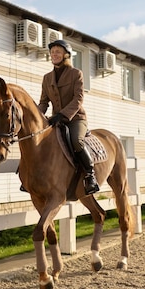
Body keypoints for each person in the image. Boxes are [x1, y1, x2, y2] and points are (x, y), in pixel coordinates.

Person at [38, 39, 99, 195]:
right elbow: (44, 102)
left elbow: (78, 99)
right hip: (55, 120)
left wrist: (62, 115)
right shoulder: (46, 78)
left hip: (76, 118)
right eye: (52, 52)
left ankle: (90, 175)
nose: (54, 54)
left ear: (66, 54)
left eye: (58, 51)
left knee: (76, 141)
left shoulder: (76, 74)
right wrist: (37, 117)